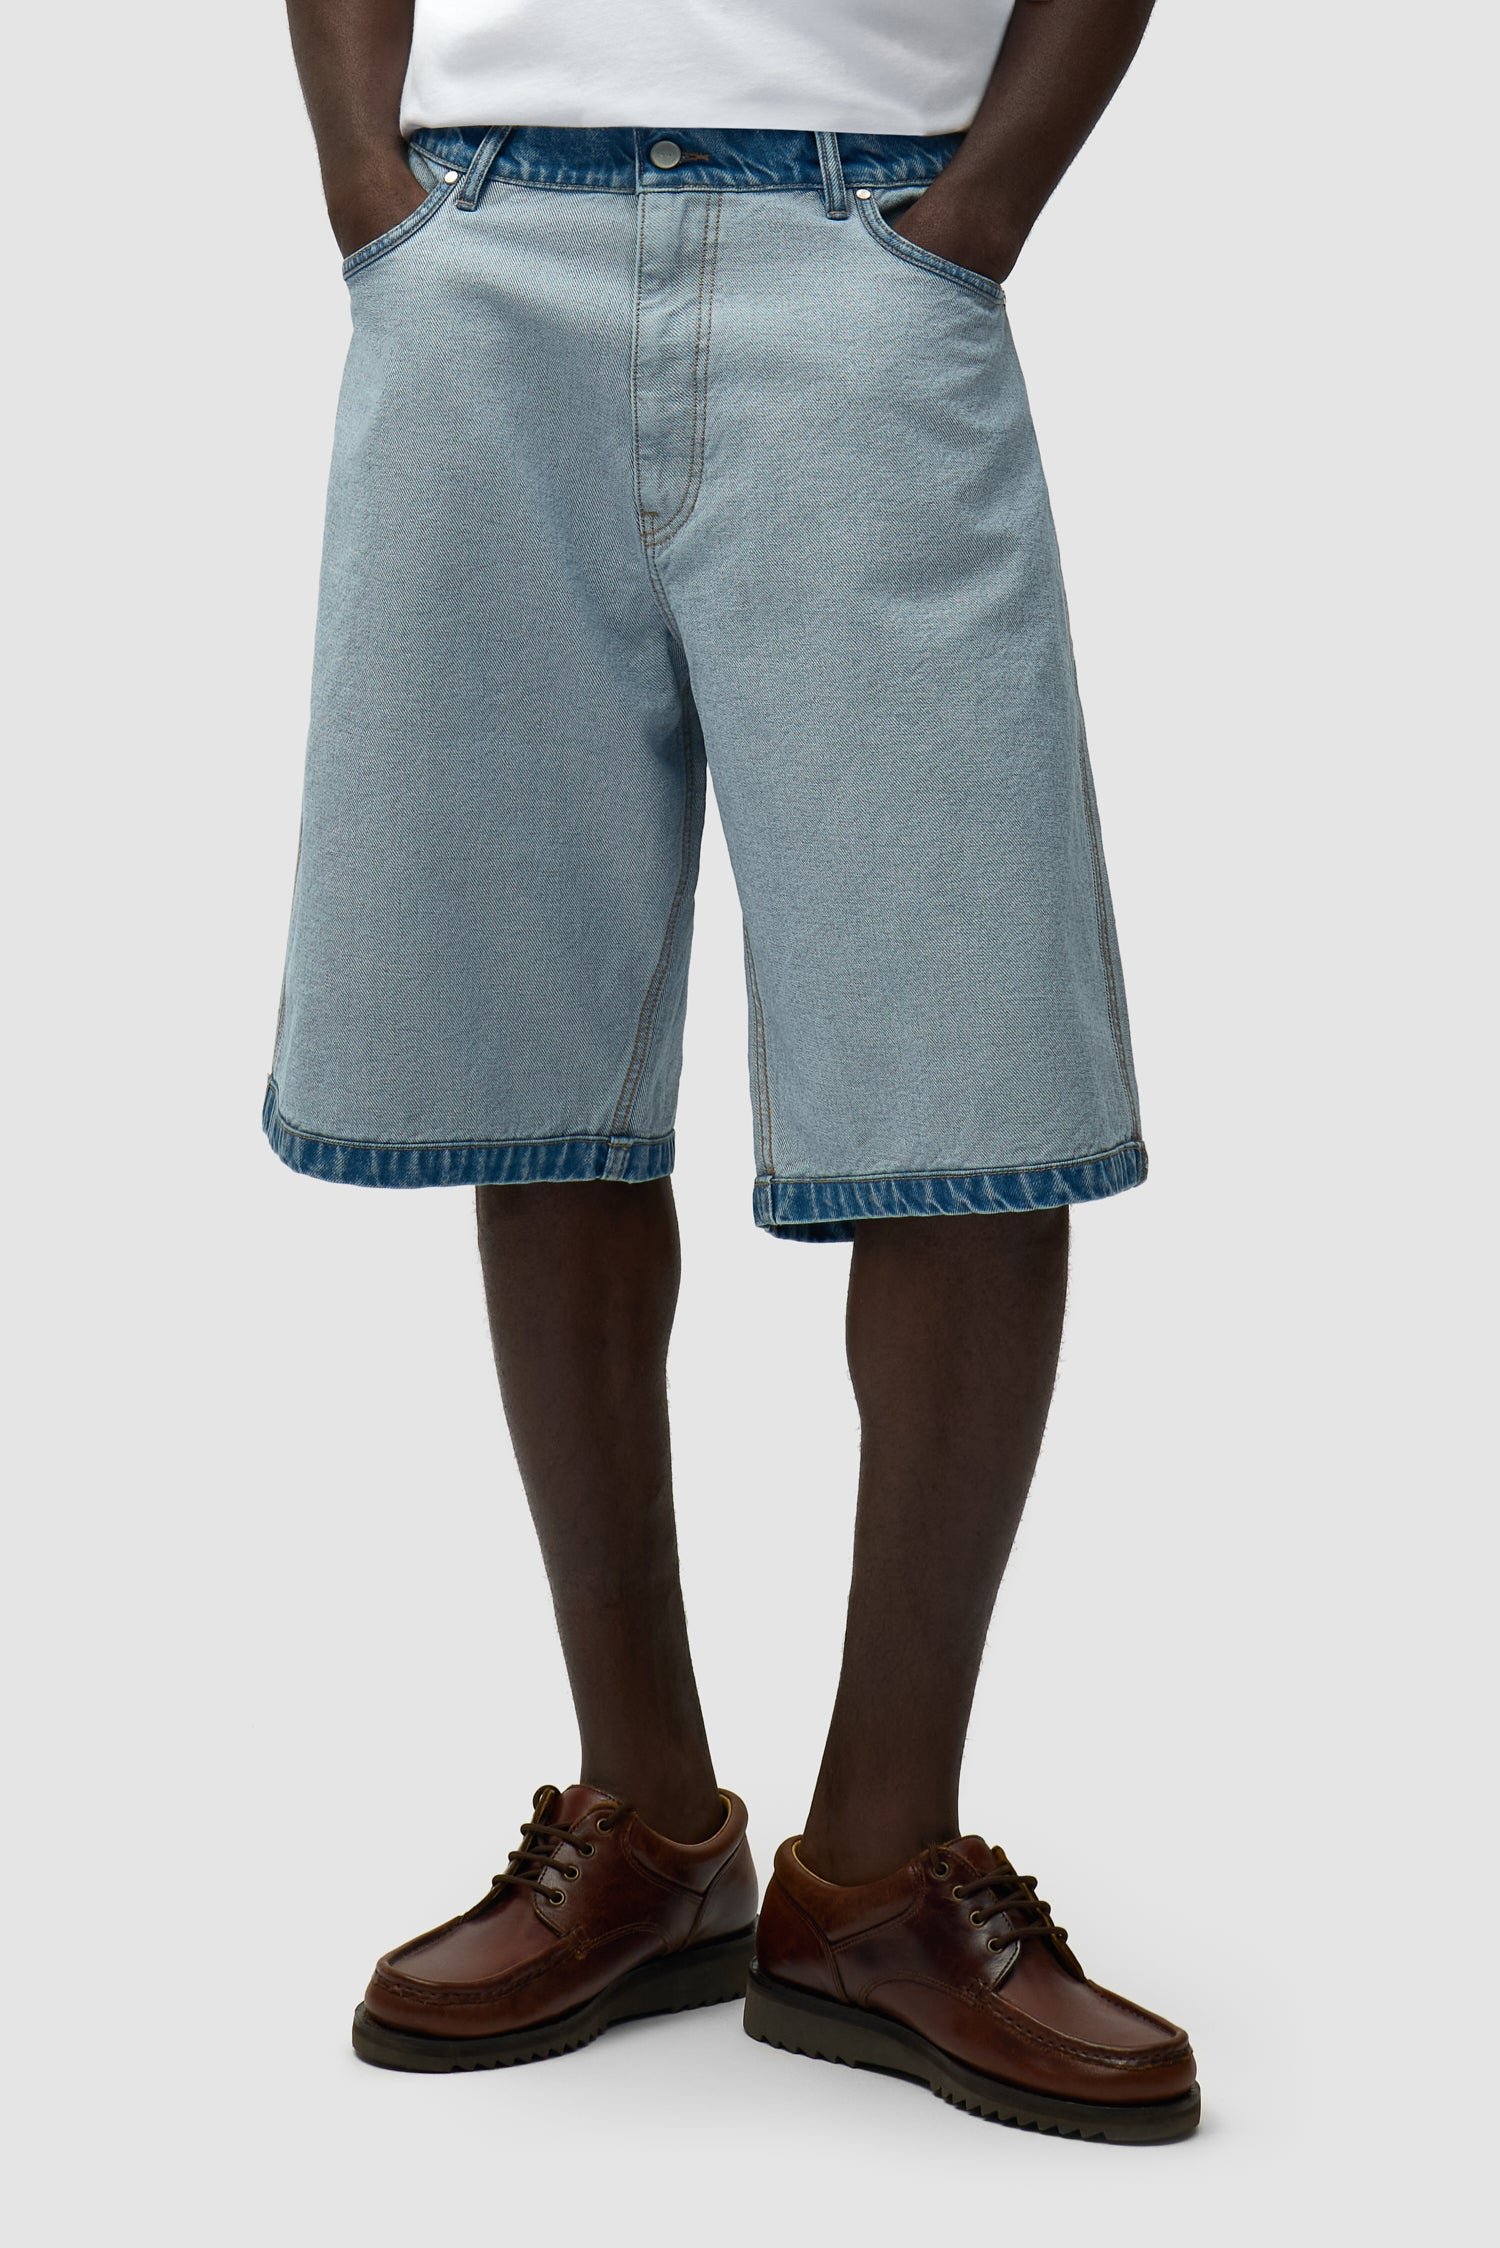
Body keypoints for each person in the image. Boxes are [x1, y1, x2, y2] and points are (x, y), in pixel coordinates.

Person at [266, 0, 1198, 2141]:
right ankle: (651, 1824)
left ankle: (878, 1869)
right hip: (482, 245)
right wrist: (369, 189)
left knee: (972, 1076)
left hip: (868, 255)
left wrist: (976, 219)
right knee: (535, 1062)